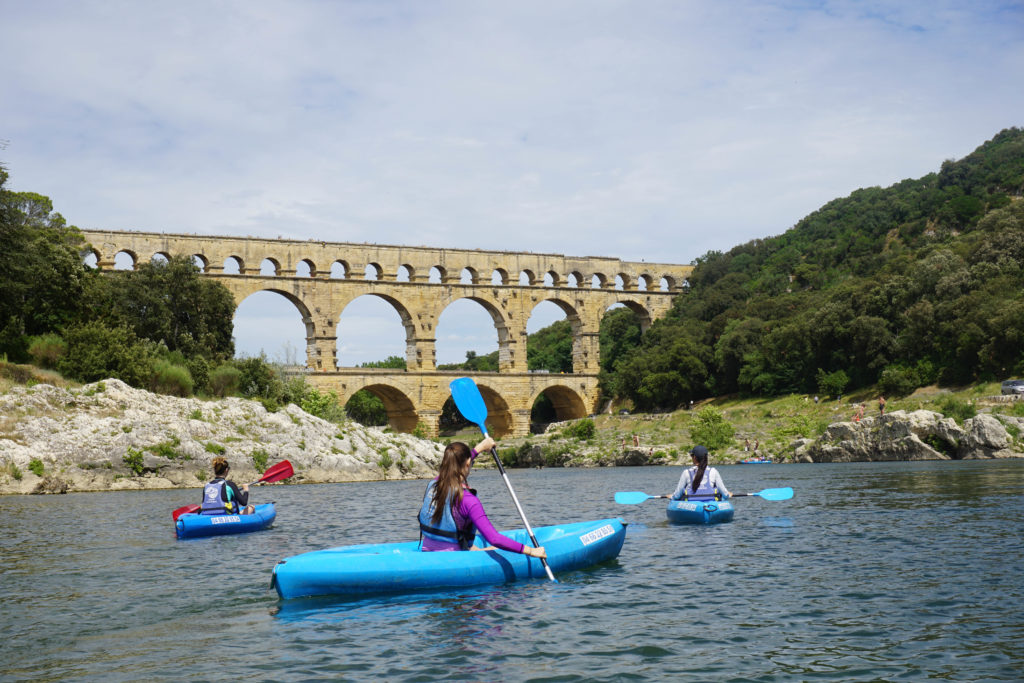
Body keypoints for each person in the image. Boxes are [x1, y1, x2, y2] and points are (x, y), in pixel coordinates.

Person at [418, 437, 547, 559]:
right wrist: (531, 551)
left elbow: (457, 464)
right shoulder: (468, 500)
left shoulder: (434, 484)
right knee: (493, 547)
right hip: (454, 557)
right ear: (468, 463)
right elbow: (494, 538)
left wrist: (480, 447)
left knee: (482, 548)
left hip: (427, 549)